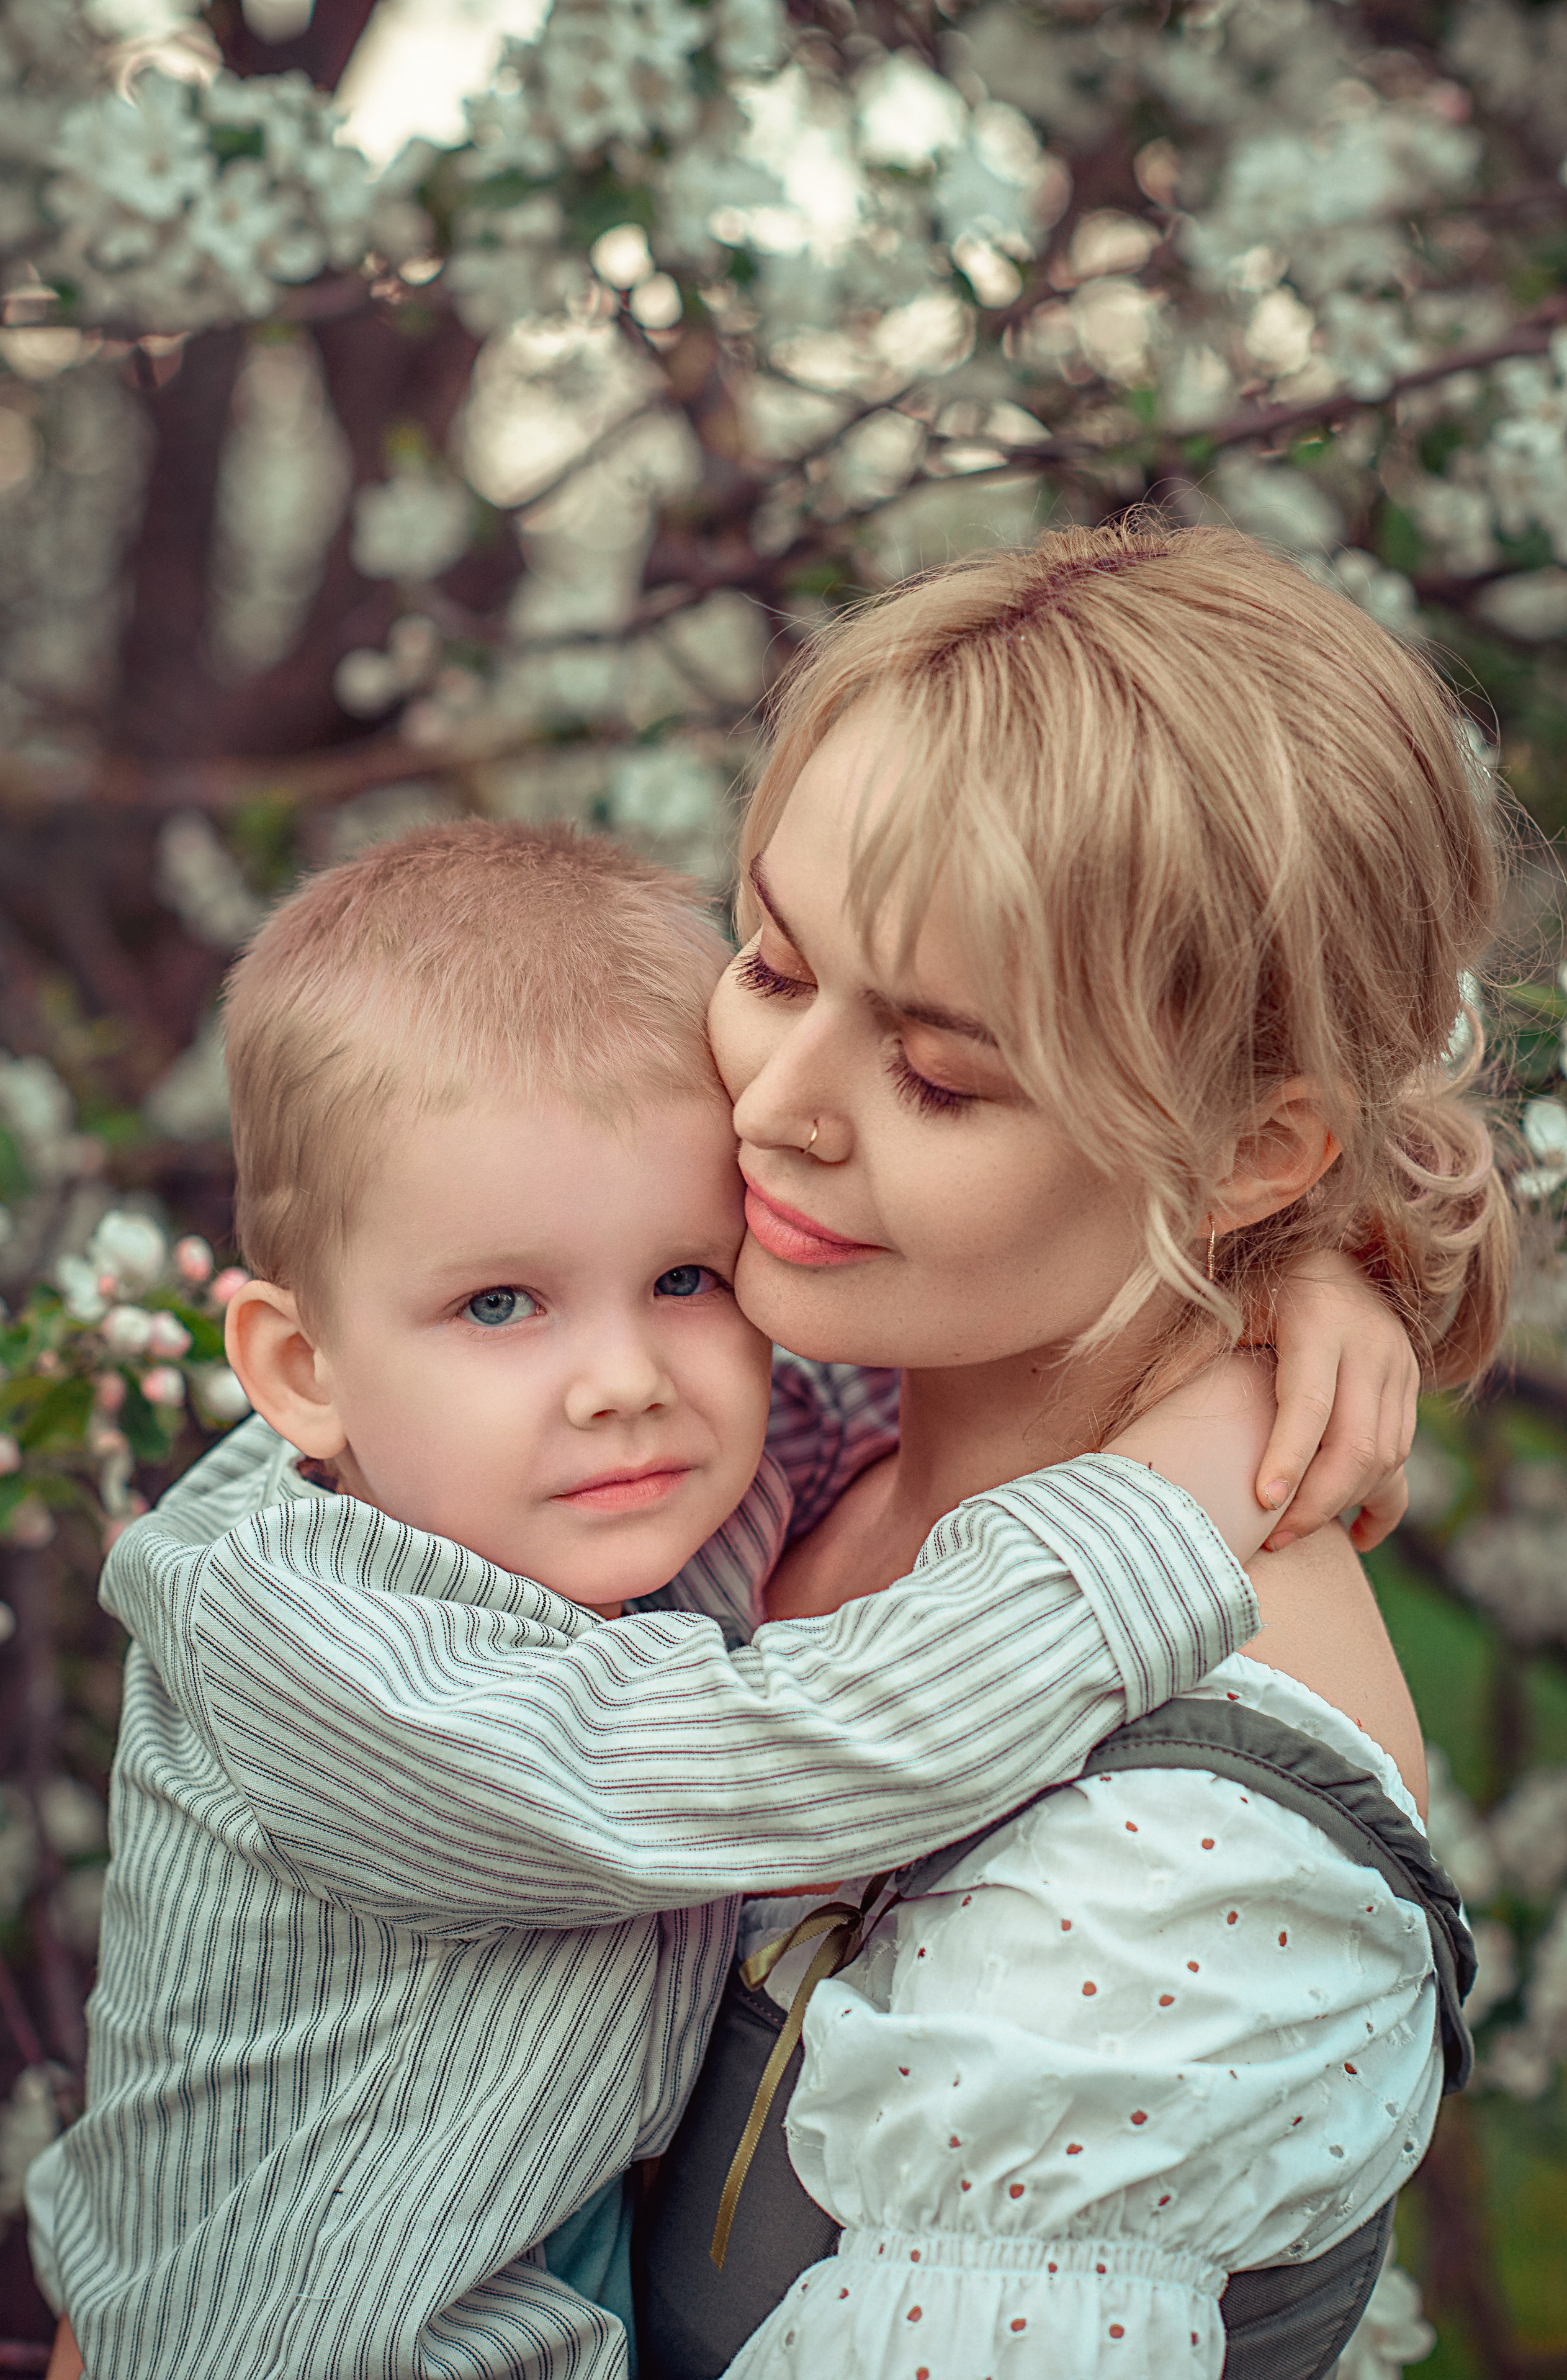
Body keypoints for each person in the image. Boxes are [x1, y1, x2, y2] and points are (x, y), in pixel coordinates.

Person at [25, 821, 1412, 2380]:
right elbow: (812, 1744)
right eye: (500, 1303)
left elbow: (924, 1381)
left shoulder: (611, 1479)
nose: (623, 1381)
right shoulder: (313, 1651)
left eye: (685, 1277)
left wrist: (1272, 1279)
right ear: (300, 1368)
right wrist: (1184, 1488)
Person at [639, 518, 1511, 2379]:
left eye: (939, 1075)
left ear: (1251, 1155)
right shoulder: (806, 1411)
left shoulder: (1179, 1883)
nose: (775, 1108)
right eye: (773, 965)